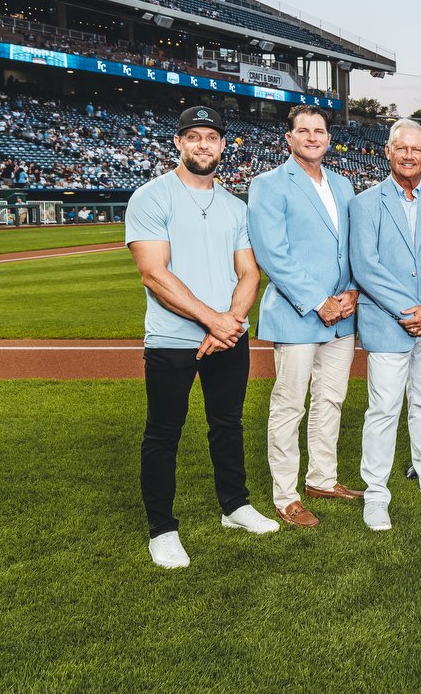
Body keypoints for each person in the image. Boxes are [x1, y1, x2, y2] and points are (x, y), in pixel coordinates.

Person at [125, 106, 277, 569]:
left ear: (223, 145)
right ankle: (162, 530)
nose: (203, 144)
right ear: (178, 143)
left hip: (228, 338)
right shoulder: (152, 197)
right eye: (193, 136)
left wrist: (230, 322)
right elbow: (154, 273)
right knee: (164, 433)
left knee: (228, 425)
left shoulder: (235, 205)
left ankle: (235, 506)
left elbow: (249, 271)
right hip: (173, 338)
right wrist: (215, 321)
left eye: (211, 137)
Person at [247, 105, 360, 529]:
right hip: (299, 313)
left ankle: (322, 479)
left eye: (320, 131)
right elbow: (273, 254)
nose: (313, 137)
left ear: (329, 139)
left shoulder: (344, 185)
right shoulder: (269, 184)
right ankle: (285, 495)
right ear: (289, 138)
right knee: (290, 404)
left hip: (342, 314)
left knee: (330, 400)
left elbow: (351, 248)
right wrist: (318, 300)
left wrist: (350, 292)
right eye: (304, 131)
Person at [349, 119, 421, 531]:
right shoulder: (366, 202)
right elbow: (366, 267)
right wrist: (411, 310)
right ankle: (376, 493)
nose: (409, 155)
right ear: (387, 152)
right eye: (401, 148)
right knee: (383, 409)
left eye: (417, 149)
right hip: (389, 323)